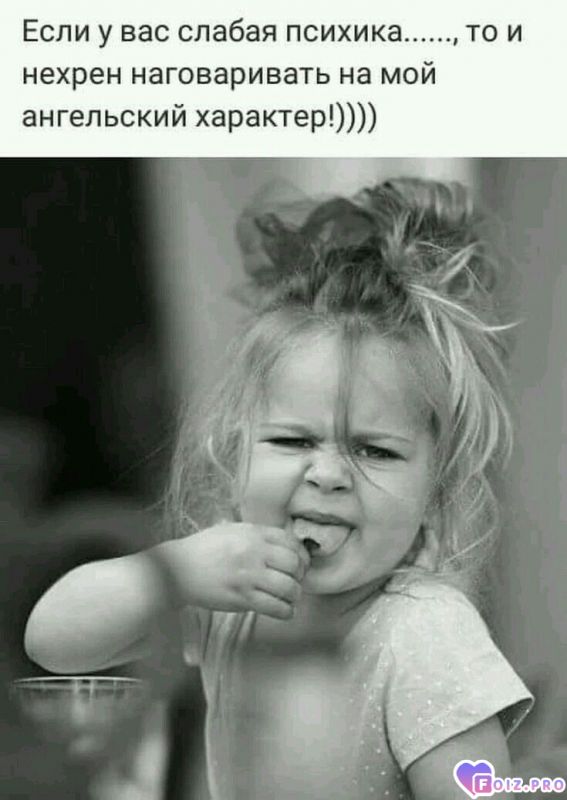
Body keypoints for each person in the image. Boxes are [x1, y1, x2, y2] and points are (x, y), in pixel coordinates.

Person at [24, 178, 534, 799]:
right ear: (235, 453)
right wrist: (174, 571)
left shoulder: (425, 633)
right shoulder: (234, 601)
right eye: (293, 441)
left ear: (436, 489)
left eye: (374, 450)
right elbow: (53, 643)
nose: (327, 474)